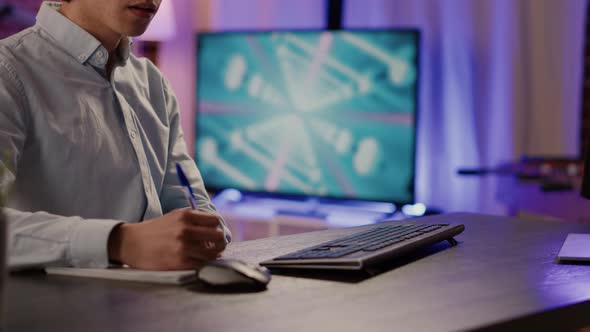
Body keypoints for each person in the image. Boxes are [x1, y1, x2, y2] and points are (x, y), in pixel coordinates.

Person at [0, 0, 232, 271]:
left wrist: (205, 233)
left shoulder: (153, 84)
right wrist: (119, 242)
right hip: (49, 310)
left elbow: (191, 205)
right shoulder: (8, 72)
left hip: (161, 305)